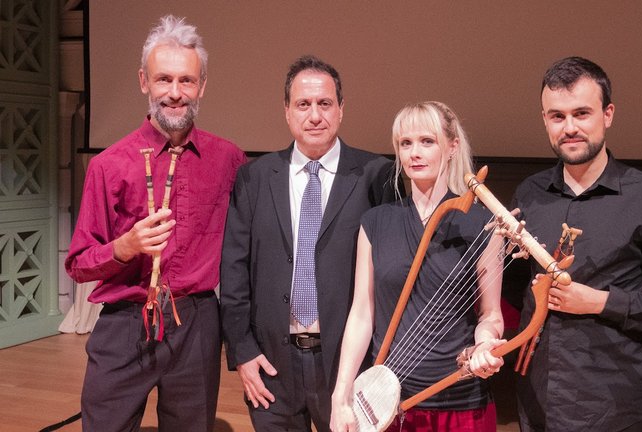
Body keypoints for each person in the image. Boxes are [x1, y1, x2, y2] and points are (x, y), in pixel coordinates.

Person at [507, 56, 642, 432]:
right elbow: (516, 285)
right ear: (545, 120)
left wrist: (600, 301)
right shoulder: (529, 194)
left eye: (582, 113)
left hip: (614, 401)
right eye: (557, 116)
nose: (569, 128)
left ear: (608, 114)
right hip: (538, 397)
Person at [65, 15, 246, 432]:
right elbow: (77, 263)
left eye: (186, 80)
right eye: (164, 79)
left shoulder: (229, 160)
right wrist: (124, 247)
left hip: (196, 321)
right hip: (124, 322)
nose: (175, 93)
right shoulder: (108, 165)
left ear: (202, 86)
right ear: (144, 81)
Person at [219, 55, 399, 432]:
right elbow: (234, 271)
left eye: (325, 104)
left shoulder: (376, 175)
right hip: (271, 366)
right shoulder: (254, 178)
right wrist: (243, 351)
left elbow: (391, 273)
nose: (314, 115)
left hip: (348, 365)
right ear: (287, 111)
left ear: (341, 109)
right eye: (303, 104)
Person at [330, 101, 507, 432]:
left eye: (427, 141)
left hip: (460, 401)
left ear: (452, 147)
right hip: (388, 403)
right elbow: (362, 313)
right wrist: (341, 394)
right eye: (405, 143)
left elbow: (491, 315)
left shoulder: (484, 224)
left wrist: (484, 344)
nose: (415, 153)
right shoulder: (375, 222)